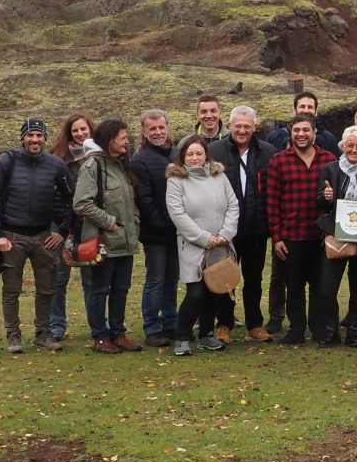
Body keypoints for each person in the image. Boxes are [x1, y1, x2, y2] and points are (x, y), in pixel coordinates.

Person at [0, 118, 73, 353]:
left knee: (47, 288)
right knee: (11, 289)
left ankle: (43, 333)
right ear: (23, 138)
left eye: (39, 135)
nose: (35, 140)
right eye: (30, 135)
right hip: (12, 237)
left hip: (44, 236)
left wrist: (62, 230)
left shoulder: (56, 166)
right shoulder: (6, 162)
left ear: (45, 138)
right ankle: (13, 335)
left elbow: (72, 199)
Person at [163, 135, 239, 355]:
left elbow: (233, 205)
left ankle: (206, 334)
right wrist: (204, 238)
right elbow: (178, 214)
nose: (195, 158)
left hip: (221, 244)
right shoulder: (176, 181)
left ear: (206, 154)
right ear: (183, 156)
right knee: (196, 292)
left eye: (199, 153)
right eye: (190, 154)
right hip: (194, 245)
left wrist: (225, 233)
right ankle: (182, 336)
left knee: (215, 290)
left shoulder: (219, 175)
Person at [72, 119, 142, 354]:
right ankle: (100, 336)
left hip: (125, 242)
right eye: (123, 137)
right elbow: (81, 204)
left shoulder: (121, 165)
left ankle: (118, 333)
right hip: (103, 242)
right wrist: (109, 222)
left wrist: (135, 223)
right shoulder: (93, 166)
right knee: (99, 289)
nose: (127, 141)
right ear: (110, 140)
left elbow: (129, 199)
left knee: (121, 288)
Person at [264, 114, 335, 345]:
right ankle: (296, 330)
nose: (301, 134)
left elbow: (337, 199)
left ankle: (317, 328)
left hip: (320, 235)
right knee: (294, 287)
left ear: (314, 132)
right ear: (291, 133)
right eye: (297, 131)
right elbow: (272, 202)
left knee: (318, 286)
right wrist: (277, 238)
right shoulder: (279, 161)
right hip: (292, 235)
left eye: (306, 130)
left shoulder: (329, 159)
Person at [209, 106, 278, 344]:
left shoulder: (268, 152)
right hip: (225, 230)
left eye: (246, 126)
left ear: (254, 128)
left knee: (254, 278)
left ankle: (255, 324)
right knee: (225, 278)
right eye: (237, 126)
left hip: (257, 228)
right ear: (229, 126)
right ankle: (224, 324)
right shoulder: (215, 151)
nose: (242, 130)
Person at [316, 127, 357, 347]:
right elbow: (319, 203)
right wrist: (325, 197)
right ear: (343, 146)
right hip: (336, 236)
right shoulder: (330, 169)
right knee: (326, 288)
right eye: (350, 145)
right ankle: (331, 329)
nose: (354, 150)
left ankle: (353, 330)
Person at [130, 109, 178, 348]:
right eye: (152, 129)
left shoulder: (176, 153)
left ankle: (171, 323)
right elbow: (145, 199)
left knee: (172, 279)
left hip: (178, 231)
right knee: (156, 279)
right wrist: (165, 225)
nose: (158, 132)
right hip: (156, 232)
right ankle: (152, 327)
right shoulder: (139, 160)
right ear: (144, 131)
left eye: (161, 127)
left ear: (167, 127)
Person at [42, 113, 91, 340]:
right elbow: (51, 196)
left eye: (84, 129)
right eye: (75, 131)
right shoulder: (57, 159)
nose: (80, 134)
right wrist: (59, 226)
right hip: (63, 226)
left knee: (92, 279)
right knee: (59, 278)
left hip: (90, 225)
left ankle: (98, 324)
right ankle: (56, 325)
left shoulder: (100, 156)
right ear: (68, 134)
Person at [267, 91, 342, 156]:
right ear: (294, 111)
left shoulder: (328, 139)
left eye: (310, 107)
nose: (306, 111)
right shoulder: (277, 136)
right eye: (302, 106)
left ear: (316, 112)